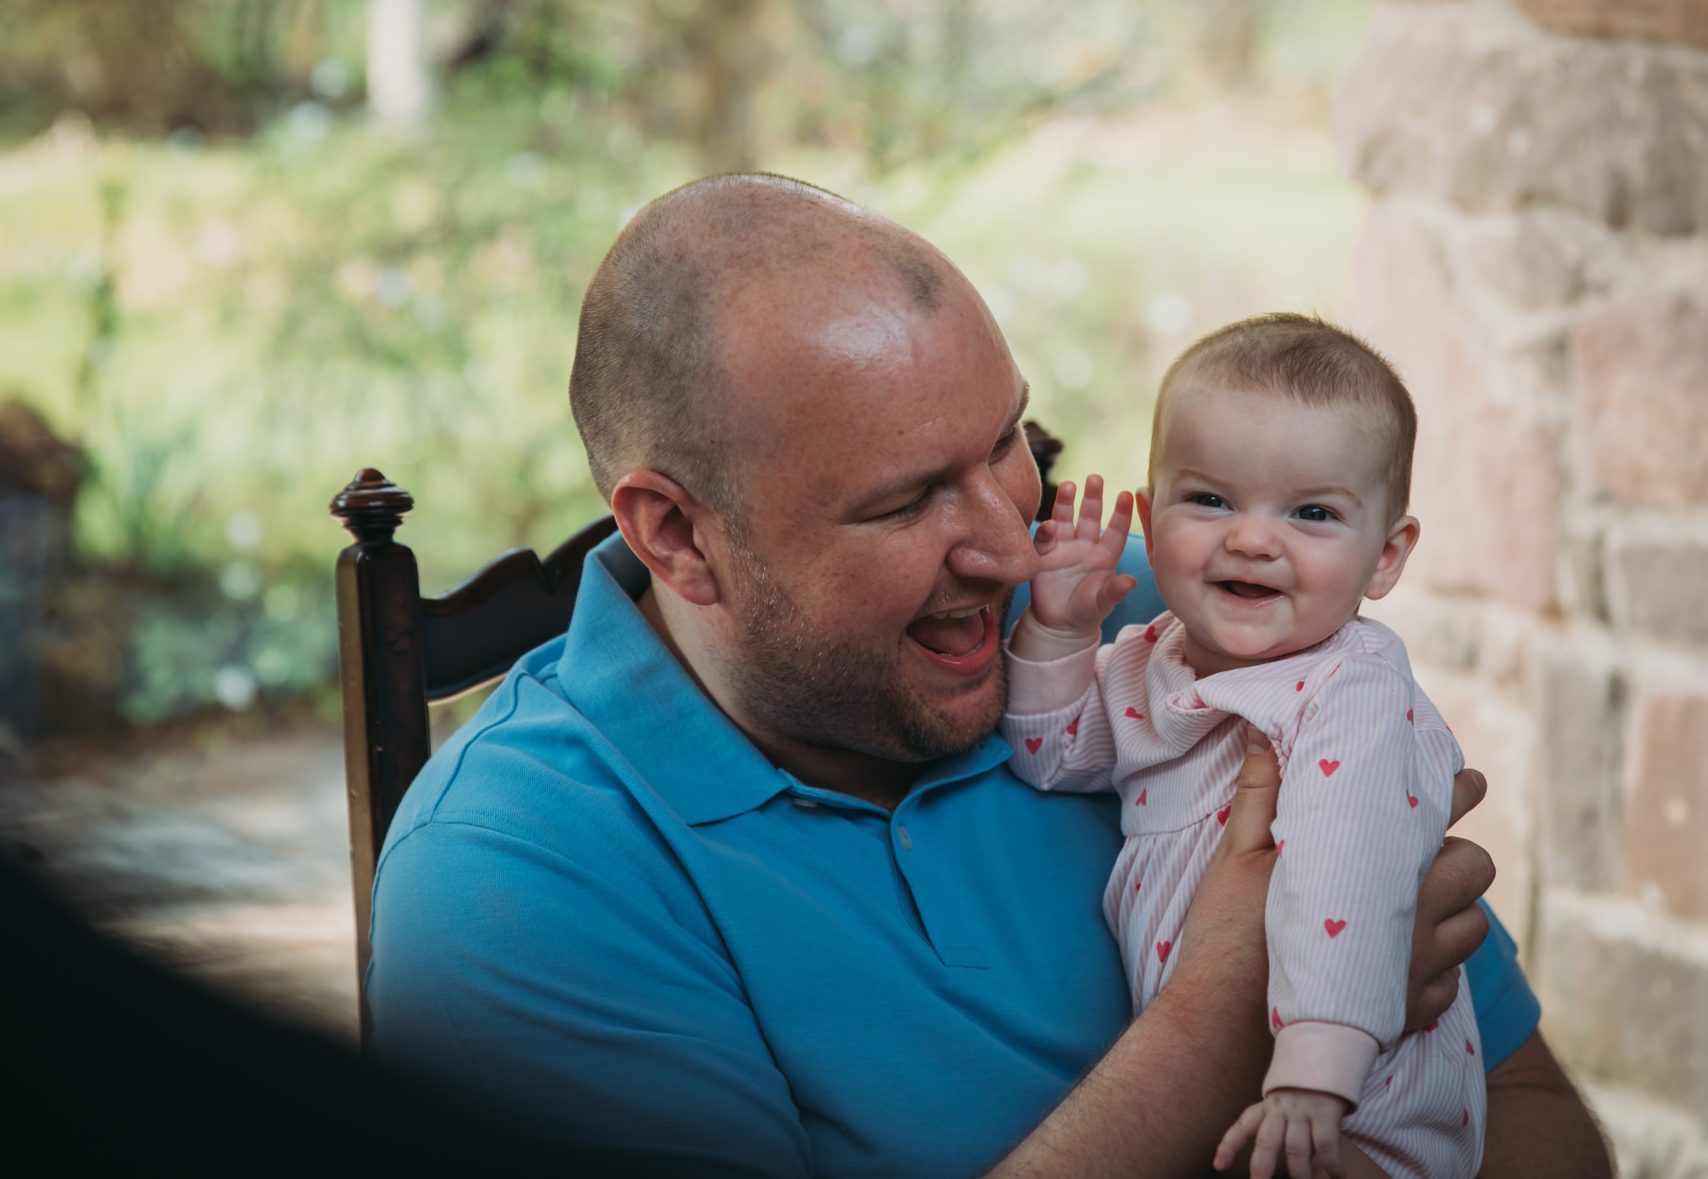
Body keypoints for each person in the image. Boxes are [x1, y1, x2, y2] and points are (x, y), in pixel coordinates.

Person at [366, 174, 1613, 1177]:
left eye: (1008, 441)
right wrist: (1228, 1017)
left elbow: (1524, 1105)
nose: (1014, 544)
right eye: (908, 497)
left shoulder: (1148, 621)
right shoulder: (512, 874)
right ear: (678, 537)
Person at [1002, 314, 1478, 1179]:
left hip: (1355, 1102)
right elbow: (1054, 756)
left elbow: (1352, 876)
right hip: (1228, 1092)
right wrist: (1061, 634)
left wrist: (1314, 1075)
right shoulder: (1153, 655)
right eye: (1211, 500)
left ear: (1386, 555)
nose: (1253, 538)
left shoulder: (1354, 691)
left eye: (1313, 513)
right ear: (1151, 518)